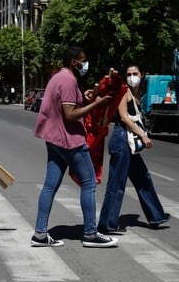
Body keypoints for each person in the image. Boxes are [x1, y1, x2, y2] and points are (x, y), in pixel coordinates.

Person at [31, 46, 118, 248]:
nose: (85, 64)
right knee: (88, 183)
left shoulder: (57, 77)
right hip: (70, 140)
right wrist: (97, 104)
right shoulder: (69, 80)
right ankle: (90, 233)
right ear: (74, 62)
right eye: (83, 60)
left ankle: (40, 234)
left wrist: (84, 97)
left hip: (54, 139)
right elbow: (70, 114)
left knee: (49, 186)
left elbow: (68, 104)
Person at [98, 65, 171, 233]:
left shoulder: (138, 95)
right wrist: (143, 135)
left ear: (142, 74)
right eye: (129, 74)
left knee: (143, 178)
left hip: (128, 142)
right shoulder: (124, 91)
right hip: (121, 139)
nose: (132, 77)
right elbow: (123, 117)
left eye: (135, 73)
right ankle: (107, 223)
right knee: (117, 183)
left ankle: (156, 216)